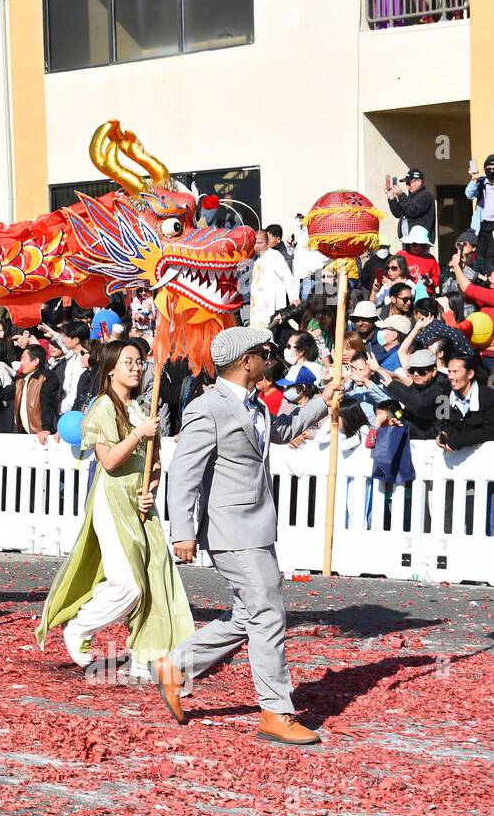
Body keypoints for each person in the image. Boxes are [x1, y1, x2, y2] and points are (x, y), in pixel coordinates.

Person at [155, 327, 340, 746]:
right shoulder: (208, 408)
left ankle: (176, 666)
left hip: (256, 527)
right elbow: (184, 471)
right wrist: (182, 530)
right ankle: (276, 711)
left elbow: (280, 430)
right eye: (262, 353)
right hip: (231, 530)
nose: (267, 359)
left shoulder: (254, 403)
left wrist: (323, 403)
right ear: (245, 362)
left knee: (250, 614)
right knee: (268, 613)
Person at [38, 339, 194, 676]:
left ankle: (147, 655)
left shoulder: (140, 409)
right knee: (128, 584)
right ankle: (80, 627)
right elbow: (108, 461)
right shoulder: (102, 408)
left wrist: (150, 490)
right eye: (129, 362)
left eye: (139, 362)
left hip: (139, 501)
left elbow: (154, 464)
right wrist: (138, 434)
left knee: (155, 579)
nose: (137, 368)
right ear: (111, 370)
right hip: (112, 500)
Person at [436, 355, 494, 452]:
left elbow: (490, 431)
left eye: (455, 372)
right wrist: (443, 436)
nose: (450, 377)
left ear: (470, 374)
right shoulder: (443, 398)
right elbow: (444, 425)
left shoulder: (489, 397)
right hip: (456, 458)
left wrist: (458, 441)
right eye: (449, 372)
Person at [249, 225, 299, 328]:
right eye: (255, 243)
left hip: (271, 303)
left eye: (260, 243)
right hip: (257, 303)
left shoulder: (275, 255)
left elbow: (287, 276)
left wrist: (293, 297)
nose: (257, 246)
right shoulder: (256, 259)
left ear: (267, 241)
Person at [386, 167, 436, 243]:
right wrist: (392, 198)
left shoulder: (426, 195)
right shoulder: (409, 198)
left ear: (419, 181)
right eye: (406, 183)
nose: (407, 186)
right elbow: (398, 213)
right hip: (407, 240)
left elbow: (413, 210)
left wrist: (401, 195)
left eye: (408, 182)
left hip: (419, 242)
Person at [465, 154, 494, 275]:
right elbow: (469, 194)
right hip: (482, 227)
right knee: (479, 258)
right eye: (489, 167)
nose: (491, 170)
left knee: (492, 258)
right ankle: (480, 282)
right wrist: (474, 179)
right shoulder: (481, 182)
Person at [399, 227, 440, 293]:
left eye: (421, 245)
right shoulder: (401, 255)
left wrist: (429, 281)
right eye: (414, 244)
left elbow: (437, 279)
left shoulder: (431, 259)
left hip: (425, 296)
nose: (418, 248)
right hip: (405, 295)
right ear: (409, 244)